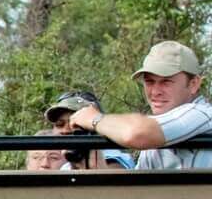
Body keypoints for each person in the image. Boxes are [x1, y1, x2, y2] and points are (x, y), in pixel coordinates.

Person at [58, 42, 212, 170]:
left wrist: (94, 118)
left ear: (194, 84)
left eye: (166, 81)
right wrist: (97, 168)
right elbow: (140, 197)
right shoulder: (154, 138)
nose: (155, 91)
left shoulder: (204, 114)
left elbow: (136, 134)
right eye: (149, 81)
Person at [42, 89, 132, 169]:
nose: (65, 130)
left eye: (74, 124)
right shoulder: (65, 167)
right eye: (59, 124)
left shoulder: (113, 157)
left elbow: (115, 180)